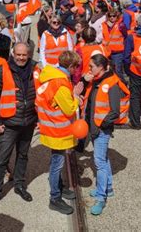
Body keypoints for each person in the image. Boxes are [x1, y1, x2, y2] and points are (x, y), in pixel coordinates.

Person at [0, 42, 38, 210]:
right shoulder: (2, 71)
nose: (21, 58)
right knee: (2, 160)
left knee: (23, 155)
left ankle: (19, 184)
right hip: (8, 124)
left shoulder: (36, 69)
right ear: (13, 54)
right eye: (18, 55)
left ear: (28, 55)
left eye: (24, 55)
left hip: (28, 121)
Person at [36, 51, 83, 215]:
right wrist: (76, 96)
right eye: (75, 67)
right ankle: (54, 197)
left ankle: (60, 188)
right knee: (57, 164)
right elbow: (69, 109)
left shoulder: (50, 77)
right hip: (58, 131)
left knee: (56, 162)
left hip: (51, 128)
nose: (76, 70)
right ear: (70, 66)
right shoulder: (60, 83)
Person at [83, 54, 129, 215]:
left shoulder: (111, 84)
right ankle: (108, 188)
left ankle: (101, 198)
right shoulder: (97, 80)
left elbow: (114, 111)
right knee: (103, 159)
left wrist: (100, 124)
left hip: (101, 130)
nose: (89, 69)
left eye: (91, 66)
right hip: (95, 128)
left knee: (99, 162)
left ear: (101, 67)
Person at [102, 7, 127, 81]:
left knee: (117, 71)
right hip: (106, 52)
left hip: (117, 53)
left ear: (117, 16)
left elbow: (125, 36)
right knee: (107, 71)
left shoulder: (121, 25)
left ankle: (123, 86)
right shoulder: (104, 25)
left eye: (114, 16)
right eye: (110, 16)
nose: (112, 17)